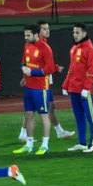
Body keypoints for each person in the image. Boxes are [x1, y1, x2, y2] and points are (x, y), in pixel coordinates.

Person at [18, 20, 75, 142]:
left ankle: (59, 131)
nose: (47, 31)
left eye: (48, 28)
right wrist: (28, 75)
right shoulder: (36, 44)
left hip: (43, 79)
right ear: (38, 32)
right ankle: (26, 134)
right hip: (39, 82)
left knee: (49, 107)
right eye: (44, 29)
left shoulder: (43, 44)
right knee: (37, 109)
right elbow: (33, 64)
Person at [13, 23, 58, 155]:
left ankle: (45, 145)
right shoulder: (27, 45)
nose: (25, 37)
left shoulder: (45, 48)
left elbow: (50, 69)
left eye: (28, 35)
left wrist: (32, 72)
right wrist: (24, 74)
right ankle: (29, 144)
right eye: (25, 35)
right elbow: (24, 62)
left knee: (44, 115)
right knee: (28, 115)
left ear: (36, 35)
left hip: (41, 87)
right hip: (29, 86)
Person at [63, 23, 93, 153]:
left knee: (91, 118)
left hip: (84, 90)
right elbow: (71, 69)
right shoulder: (74, 48)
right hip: (74, 89)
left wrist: (87, 87)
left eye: (77, 32)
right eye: (74, 33)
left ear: (84, 33)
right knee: (79, 117)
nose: (75, 35)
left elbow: (92, 70)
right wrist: (66, 84)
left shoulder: (90, 49)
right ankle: (82, 142)